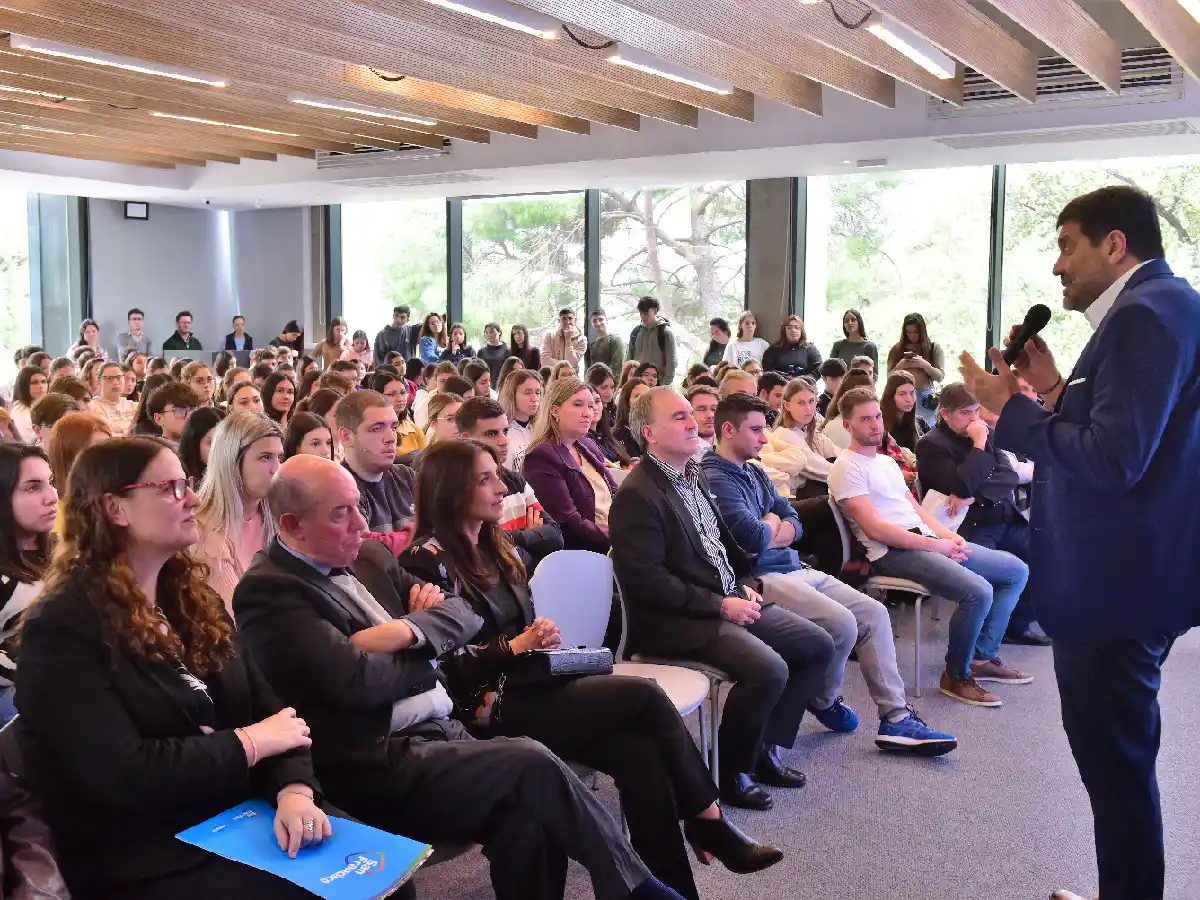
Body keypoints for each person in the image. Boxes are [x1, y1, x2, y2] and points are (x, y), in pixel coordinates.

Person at [402, 441, 784, 898]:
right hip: (483, 709)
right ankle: (708, 819)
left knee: (640, 755)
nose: (501, 487)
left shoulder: (493, 543)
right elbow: (443, 663)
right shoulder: (426, 561)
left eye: (496, 475)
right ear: (449, 490)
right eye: (485, 479)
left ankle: (677, 889)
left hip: (530, 686)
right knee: (643, 695)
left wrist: (534, 636)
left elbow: (548, 542)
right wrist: (514, 645)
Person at [957, 185, 1200, 900]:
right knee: (1121, 762)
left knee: (1115, 768)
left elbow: (1112, 460)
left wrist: (1013, 409)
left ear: (1114, 245)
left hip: (1113, 587)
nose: (1058, 266)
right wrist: (1056, 389)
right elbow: (1139, 432)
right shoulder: (1170, 306)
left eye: (1067, 246)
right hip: (1140, 572)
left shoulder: (1142, 316)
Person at [17, 437, 331, 900]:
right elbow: (122, 774)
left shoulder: (190, 598)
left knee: (384, 883)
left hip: (233, 818)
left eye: (187, 484)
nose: (194, 500)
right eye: (170, 488)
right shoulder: (62, 628)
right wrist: (249, 743)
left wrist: (294, 791)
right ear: (115, 508)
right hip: (146, 851)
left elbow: (275, 716)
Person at [610, 387, 834, 809]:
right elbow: (647, 583)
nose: (692, 422)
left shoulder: (693, 475)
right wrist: (719, 604)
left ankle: (762, 749)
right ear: (649, 433)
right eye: (679, 417)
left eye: (689, 414)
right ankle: (732, 770)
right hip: (675, 620)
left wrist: (742, 582)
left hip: (725, 597)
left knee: (817, 644)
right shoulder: (637, 494)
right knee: (768, 669)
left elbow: (723, 547)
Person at [703, 394, 957, 756]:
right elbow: (753, 539)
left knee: (874, 613)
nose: (764, 438)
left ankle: (896, 718)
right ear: (728, 430)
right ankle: (822, 699)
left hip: (793, 566)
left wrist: (773, 524)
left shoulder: (754, 470)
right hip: (760, 578)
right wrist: (775, 523)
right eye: (756, 430)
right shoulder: (714, 476)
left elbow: (795, 522)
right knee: (842, 624)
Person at [827, 387, 1030, 707]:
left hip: (924, 540)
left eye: (877, 416)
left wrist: (947, 537)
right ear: (846, 425)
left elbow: (918, 512)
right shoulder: (845, 467)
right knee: (978, 591)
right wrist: (937, 547)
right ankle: (956, 675)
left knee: (1016, 570)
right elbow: (876, 529)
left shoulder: (886, 462)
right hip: (891, 552)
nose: (875, 424)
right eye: (865, 419)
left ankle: (981, 656)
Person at [915, 383, 1048, 647]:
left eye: (976, 411)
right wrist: (978, 445)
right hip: (969, 528)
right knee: (997, 577)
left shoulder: (987, 433)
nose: (974, 419)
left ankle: (1016, 624)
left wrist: (976, 494)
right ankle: (985, 644)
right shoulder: (931, 444)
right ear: (945, 414)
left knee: (1050, 555)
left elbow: (1008, 476)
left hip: (1003, 518)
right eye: (965, 413)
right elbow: (960, 486)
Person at [454, 397, 563, 565]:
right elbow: (486, 552)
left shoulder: (515, 480)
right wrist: (531, 537)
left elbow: (555, 537)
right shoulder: (461, 490)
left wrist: (509, 538)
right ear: (466, 439)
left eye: (505, 431)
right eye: (491, 434)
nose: (504, 441)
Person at [195, 412, 283, 612]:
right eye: (265, 457)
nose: (276, 468)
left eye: (279, 457)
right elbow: (241, 616)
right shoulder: (205, 532)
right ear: (232, 462)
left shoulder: (276, 511)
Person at [523, 376, 615, 554]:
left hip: (614, 538)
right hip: (583, 553)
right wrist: (616, 541)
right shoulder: (541, 457)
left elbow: (616, 492)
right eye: (578, 405)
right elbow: (569, 521)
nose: (588, 413)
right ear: (555, 411)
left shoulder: (587, 444)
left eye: (590, 406)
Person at [0, 443, 56, 725]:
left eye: (51, 482)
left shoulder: (63, 551)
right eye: (33, 487)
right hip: (20, 693)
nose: (52, 496)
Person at [336, 390, 417, 542]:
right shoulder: (339, 489)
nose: (391, 438)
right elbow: (367, 549)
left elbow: (442, 529)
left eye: (394, 427)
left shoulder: (407, 476)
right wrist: (420, 537)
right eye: (377, 429)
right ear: (346, 436)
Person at [761, 377, 841, 498]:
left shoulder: (810, 430)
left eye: (811, 401)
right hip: (795, 498)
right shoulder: (785, 434)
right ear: (787, 406)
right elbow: (822, 469)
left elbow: (837, 453)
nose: (808, 409)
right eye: (801, 403)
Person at [885, 313, 944, 424]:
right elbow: (889, 378)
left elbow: (940, 377)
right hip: (902, 399)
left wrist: (926, 366)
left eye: (915, 332)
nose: (912, 336)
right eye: (909, 332)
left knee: (925, 429)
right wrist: (900, 367)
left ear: (922, 331)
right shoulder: (897, 349)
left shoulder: (933, 348)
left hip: (925, 401)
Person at [371, 371, 426, 459]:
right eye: (391, 394)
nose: (400, 399)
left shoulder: (414, 430)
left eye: (403, 393)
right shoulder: (370, 430)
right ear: (378, 397)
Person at [498, 368, 543, 472]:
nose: (534, 399)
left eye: (537, 393)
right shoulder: (503, 433)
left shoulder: (541, 430)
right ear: (512, 396)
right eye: (527, 393)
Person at [820, 368, 875, 451]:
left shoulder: (871, 422)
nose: (869, 401)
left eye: (872, 395)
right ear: (847, 397)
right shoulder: (839, 426)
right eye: (862, 396)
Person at [626, 297, 676, 385]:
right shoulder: (636, 332)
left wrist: (665, 386)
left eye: (646, 313)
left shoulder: (665, 333)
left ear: (655, 311)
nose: (642, 316)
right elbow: (629, 361)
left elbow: (671, 363)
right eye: (641, 313)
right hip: (638, 384)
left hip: (658, 384)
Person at [882, 369, 929, 453]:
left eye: (912, 393)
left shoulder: (920, 423)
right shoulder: (880, 426)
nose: (909, 399)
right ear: (891, 396)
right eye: (902, 394)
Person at [762, 316, 822, 380]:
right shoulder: (773, 349)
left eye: (797, 327)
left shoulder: (811, 349)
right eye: (789, 328)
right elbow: (767, 370)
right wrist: (785, 380)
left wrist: (802, 381)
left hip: (805, 384)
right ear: (784, 331)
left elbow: (818, 370)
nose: (793, 330)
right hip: (779, 384)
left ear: (801, 330)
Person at [177, 406, 225, 484]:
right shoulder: (180, 479)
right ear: (195, 445)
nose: (219, 448)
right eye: (211, 442)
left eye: (222, 441)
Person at [89, 361, 137, 436]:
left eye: (119, 377)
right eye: (109, 378)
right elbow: (101, 436)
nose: (115, 382)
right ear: (98, 382)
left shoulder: (135, 406)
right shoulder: (91, 407)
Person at [609, 376, 649, 462]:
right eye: (637, 396)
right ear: (626, 401)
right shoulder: (619, 434)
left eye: (646, 396)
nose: (643, 400)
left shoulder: (654, 431)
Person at [829, 308, 878, 375]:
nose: (850, 323)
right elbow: (830, 370)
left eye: (853, 320)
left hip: (862, 381)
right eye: (846, 321)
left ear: (859, 322)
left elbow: (874, 374)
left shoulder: (870, 346)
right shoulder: (837, 346)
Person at [539, 308, 584, 374]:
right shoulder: (549, 336)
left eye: (570, 318)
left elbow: (573, 362)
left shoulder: (582, 340)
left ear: (575, 320)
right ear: (559, 321)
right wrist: (568, 367)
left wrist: (568, 340)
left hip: (571, 377)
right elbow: (545, 360)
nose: (567, 322)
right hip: (552, 376)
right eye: (564, 319)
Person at [8, 366, 47, 441]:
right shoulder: (19, 410)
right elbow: (31, 442)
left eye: (43, 381)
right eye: (34, 382)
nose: (41, 386)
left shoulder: (41, 405)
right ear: (24, 386)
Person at [686, 384, 719, 460]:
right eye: (701, 409)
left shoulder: (731, 445)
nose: (710, 415)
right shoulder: (682, 453)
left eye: (714, 409)